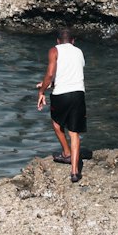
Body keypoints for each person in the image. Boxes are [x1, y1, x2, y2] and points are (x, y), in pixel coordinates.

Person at [37, 28, 87, 183]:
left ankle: (66, 153)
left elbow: (51, 73)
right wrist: (50, 84)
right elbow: (71, 73)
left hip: (60, 95)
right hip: (78, 94)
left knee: (57, 124)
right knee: (74, 132)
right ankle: (74, 172)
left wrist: (42, 90)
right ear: (73, 41)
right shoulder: (79, 52)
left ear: (58, 41)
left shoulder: (54, 50)